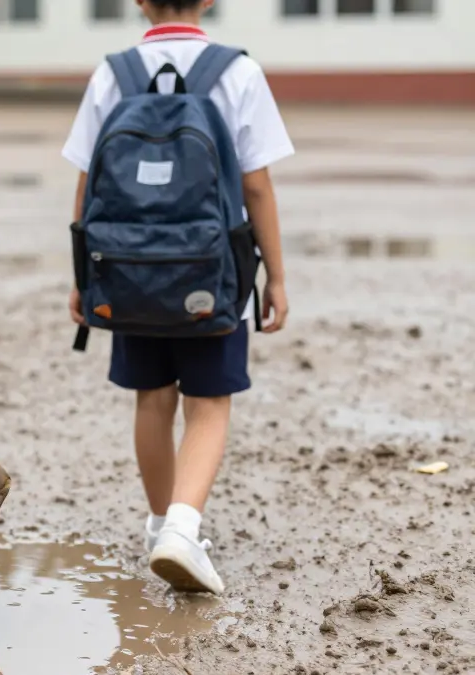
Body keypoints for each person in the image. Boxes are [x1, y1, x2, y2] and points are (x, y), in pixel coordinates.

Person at [61, 0, 293, 594]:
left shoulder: (113, 72)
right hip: (212, 272)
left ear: (140, 1)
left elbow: (87, 184)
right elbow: (257, 187)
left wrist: (85, 277)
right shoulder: (238, 71)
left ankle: (162, 524)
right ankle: (182, 531)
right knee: (209, 405)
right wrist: (277, 277)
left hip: (129, 271)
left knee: (152, 400)